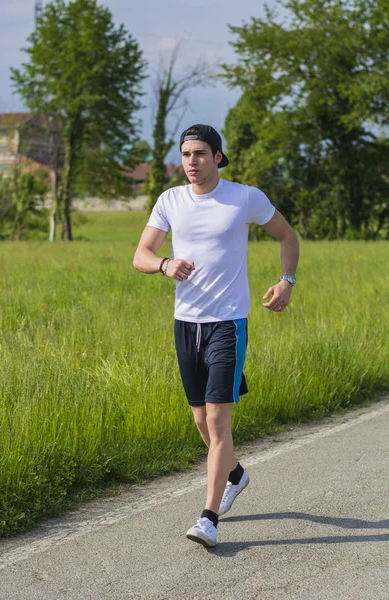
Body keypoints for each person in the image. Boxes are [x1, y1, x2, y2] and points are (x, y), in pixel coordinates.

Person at [133, 124, 299, 548]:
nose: (192, 161)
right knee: (197, 419)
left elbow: (286, 235)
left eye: (201, 154)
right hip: (185, 323)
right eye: (186, 154)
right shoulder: (170, 200)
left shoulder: (244, 197)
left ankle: (208, 518)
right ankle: (237, 474)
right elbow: (141, 254)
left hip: (228, 323)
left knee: (215, 419)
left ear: (218, 157)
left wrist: (286, 280)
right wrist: (165, 264)